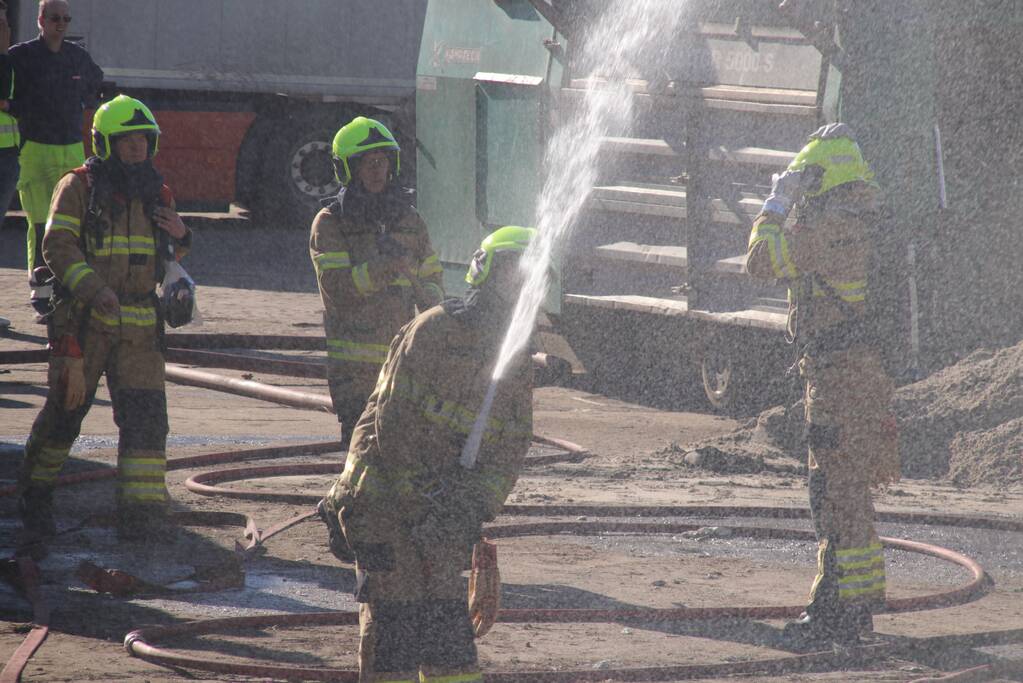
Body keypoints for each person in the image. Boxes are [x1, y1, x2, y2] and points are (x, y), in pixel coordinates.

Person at [319, 226, 537, 683]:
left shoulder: (515, 356)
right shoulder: (433, 331)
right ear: (484, 273)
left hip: (442, 510)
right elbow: (391, 426)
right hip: (382, 501)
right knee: (395, 629)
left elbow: (511, 445)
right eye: (511, 272)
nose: (519, 285)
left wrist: (472, 504)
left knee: (446, 629)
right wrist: (425, 499)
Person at [745, 123, 899, 647]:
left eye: (808, 178)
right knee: (845, 493)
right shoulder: (862, 220)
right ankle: (845, 607)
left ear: (821, 177)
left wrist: (774, 203)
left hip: (840, 379)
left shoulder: (830, 226)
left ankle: (841, 615)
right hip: (858, 376)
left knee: (835, 495)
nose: (802, 187)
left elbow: (760, 262)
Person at [17, 95, 192, 543]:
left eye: (143, 141)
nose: (137, 150)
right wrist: (95, 291)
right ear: (105, 144)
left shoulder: (159, 190)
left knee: (147, 418)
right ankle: (35, 501)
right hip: (84, 323)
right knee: (64, 416)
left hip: (140, 328)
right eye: (127, 142)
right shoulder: (78, 187)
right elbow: (57, 247)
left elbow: (166, 255)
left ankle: (142, 516)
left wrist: (182, 236)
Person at [309, 115, 443, 449]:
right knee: (358, 453)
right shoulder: (330, 224)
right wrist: (385, 268)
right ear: (348, 169)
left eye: (382, 162)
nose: (377, 170)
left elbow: (434, 283)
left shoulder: (410, 220)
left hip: (403, 367)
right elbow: (337, 292)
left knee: (401, 454)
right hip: (354, 373)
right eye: (368, 163)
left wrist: (428, 296)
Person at [9, 0, 104, 321]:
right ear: (40, 20)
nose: (60, 24)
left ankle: (64, 287)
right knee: (39, 222)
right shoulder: (21, 56)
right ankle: (41, 288)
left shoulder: (77, 57)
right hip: (34, 149)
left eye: (66, 18)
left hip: (71, 149)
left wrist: (81, 101)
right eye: (54, 18)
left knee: (71, 223)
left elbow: (96, 84)